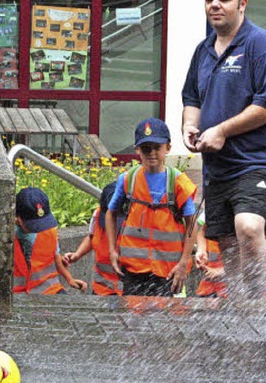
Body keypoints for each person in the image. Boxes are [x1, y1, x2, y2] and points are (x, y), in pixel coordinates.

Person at [181, 0, 266, 300]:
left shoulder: (262, 46)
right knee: (228, 243)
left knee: (248, 226)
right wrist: (191, 125)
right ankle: (238, 308)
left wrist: (220, 130)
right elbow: (191, 99)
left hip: (262, 160)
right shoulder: (203, 51)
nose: (215, 4)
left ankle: (257, 305)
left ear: (242, 3)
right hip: (219, 166)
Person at [106, 117, 198, 297]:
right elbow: (110, 213)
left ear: (168, 148)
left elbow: (192, 224)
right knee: (133, 317)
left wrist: (183, 263)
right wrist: (111, 250)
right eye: (146, 148)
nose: (152, 153)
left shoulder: (178, 182)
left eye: (157, 147)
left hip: (167, 270)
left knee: (163, 319)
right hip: (133, 268)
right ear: (137, 150)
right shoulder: (128, 179)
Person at [13, 187, 87, 294]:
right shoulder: (6, 234)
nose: (40, 228)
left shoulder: (49, 230)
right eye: (34, 224)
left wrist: (70, 279)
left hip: (48, 289)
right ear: (18, 219)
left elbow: (56, 256)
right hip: (17, 294)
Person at [62, 182, 123, 296]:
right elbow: (91, 237)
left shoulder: (135, 221)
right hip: (102, 289)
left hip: (128, 292)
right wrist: (77, 255)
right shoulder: (97, 214)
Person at [194, 214, 227, 298]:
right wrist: (201, 250)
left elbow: (256, 255)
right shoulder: (215, 206)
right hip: (208, 287)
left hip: (232, 291)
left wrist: (224, 271)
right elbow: (202, 230)